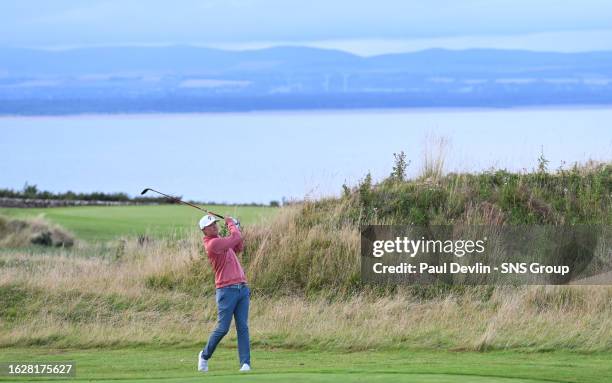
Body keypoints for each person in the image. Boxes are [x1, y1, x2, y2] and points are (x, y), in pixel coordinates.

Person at [197, 214, 251, 372]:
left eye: (215, 223)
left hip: (242, 288)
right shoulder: (213, 244)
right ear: (204, 230)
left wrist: (237, 228)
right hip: (226, 290)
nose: (214, 226)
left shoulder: (221, 241)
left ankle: (245, 363)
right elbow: (234, 238)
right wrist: (231, 223)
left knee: (243, 327)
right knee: (223, 328)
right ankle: (204, 355)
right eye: (210, 225)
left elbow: (238, 246)